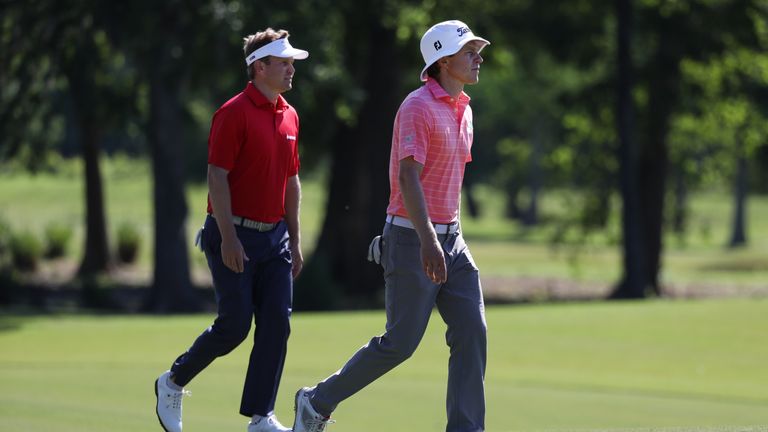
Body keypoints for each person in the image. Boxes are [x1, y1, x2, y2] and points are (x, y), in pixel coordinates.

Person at [292, 20, 490, 432]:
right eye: (469, 51)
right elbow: (407, 178)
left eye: (476, 50)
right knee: (400, 344)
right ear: (443, 60)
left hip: (452, 240)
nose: (478, 57)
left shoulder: (465, 109)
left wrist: (448, 236)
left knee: (472, 329)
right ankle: (316, 402)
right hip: (412, 239)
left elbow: (447, 182)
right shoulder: (417, 106)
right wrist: (429, 240)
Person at [154, 28, 308, 432]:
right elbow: (216, 177)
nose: (292, 69)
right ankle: (172, 381)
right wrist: (228, 238)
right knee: (236, 325)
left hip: (275, 238)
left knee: (277, 323)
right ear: (260, 67)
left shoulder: (289, 114)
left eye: (293, 62)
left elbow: (291, 181)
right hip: (232, 234)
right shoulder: (233, 112)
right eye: (284, 62)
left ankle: (261, 416)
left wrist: (294, 236)